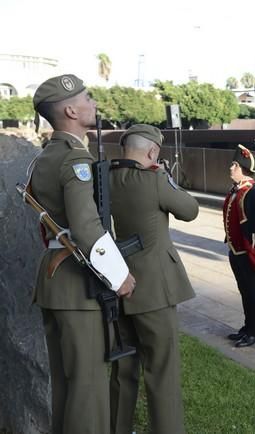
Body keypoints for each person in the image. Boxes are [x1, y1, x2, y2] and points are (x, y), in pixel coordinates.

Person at [28, 74, 136, 434]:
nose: (93, 103)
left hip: (53, 280)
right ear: (71, 109)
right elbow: (87, 227)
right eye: (87, 98)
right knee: (87, 387)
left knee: (66, 385)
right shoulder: (74, 159)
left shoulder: (44, 157)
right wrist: (120, 277)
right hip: (77, 285)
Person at [108, 124, 198, 434]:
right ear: (153, 151)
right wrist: (165, 176)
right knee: (162, 373)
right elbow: (190, 210)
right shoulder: (154, 178)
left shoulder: (102, 178)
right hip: (154, 292)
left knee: (123, 369)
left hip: (115, 286)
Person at [223, 145, 255, 347]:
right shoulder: (237, 189)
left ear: (243, 168)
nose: (230, 168)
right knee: (245, 291)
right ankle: (247, 327)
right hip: (236, 250)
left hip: (251, 252)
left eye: (234, 165)